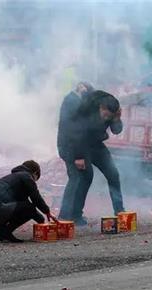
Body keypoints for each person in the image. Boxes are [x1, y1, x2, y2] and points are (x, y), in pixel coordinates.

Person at [65, 90, 125, 224]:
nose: (106, 119)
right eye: (105, 115)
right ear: (101, 107)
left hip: (97, 144)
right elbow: (76, 133)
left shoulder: (112, 111)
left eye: (109, 117)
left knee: (113, 174)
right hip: (81, 145)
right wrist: (79, 156)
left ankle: (119, 211)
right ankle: (75, 215)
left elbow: (116, 130)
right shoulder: (86, 107)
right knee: (86, 177)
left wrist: (117, 119)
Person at [0, 161, 54, 243]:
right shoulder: (26, 176)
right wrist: (47, 212)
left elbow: (23, 206)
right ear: (35, 173)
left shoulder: (14, 178)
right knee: (28, 208)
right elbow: (35, 198)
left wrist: (41, 220)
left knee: (18, 209)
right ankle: (6, 232)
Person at [57, 82, 94, 223]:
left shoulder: (74, 101)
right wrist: (78, 156)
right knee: (76, 179)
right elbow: (75, 130)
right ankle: (67, 215)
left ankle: (74, 213)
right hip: (71, 149)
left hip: (74, 148)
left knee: (85, 177)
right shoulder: (72, 102)